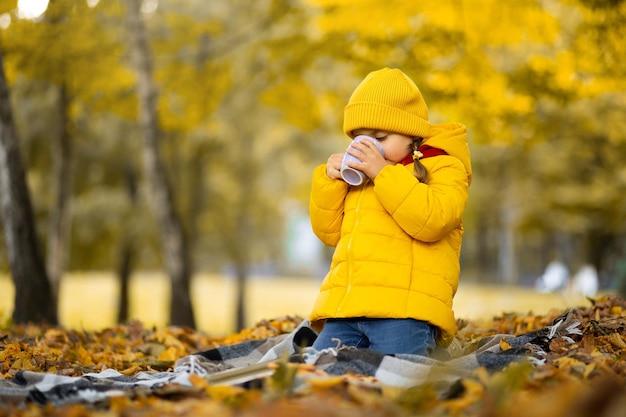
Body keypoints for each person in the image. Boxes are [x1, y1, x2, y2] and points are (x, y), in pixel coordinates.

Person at [308, 68, 472, 356]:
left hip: (404, 311)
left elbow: (433, 220)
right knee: (318, 369)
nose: (369, 147)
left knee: (400, 377)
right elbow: (328, 232)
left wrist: (383, 173)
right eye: (359, 138)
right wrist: (329, 182)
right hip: (348, 308)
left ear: (411, 133)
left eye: (380, 137)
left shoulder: (444, 167)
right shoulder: (359, 177)